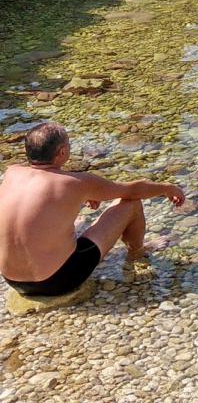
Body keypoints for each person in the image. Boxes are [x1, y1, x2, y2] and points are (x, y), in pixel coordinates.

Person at [0, 122, 185, 298]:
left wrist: (85, 195)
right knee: (131, 204)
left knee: (63, 219)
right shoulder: (76, 183)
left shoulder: (11, 173)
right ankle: (137, 253)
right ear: (62, 151)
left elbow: (43, 203)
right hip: (57, 281)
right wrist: (167, 188)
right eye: (69, 144)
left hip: (13, 281)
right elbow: (133, 190)